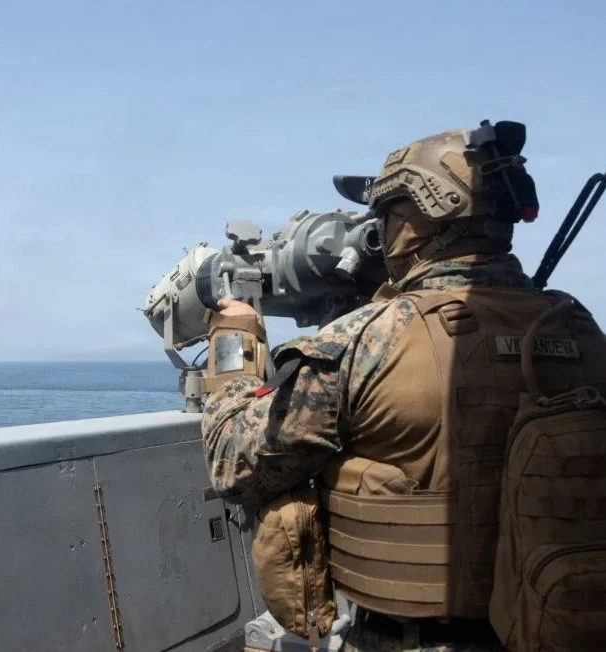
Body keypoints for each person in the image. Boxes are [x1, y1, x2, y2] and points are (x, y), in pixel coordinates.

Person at [200, 122, 606, 651]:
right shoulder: (578, 331)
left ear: (419, 219)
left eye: (388, 214)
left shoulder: (366, 341)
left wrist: (235, 341)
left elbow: (235, 464)